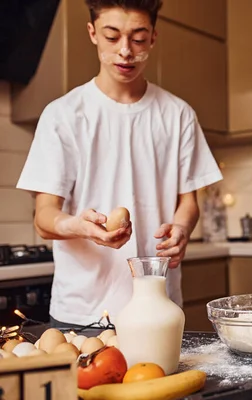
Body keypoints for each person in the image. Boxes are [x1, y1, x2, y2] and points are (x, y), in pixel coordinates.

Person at [16, 0, 222, 329]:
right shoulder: (63, 115)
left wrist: (181, 229)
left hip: (159, 308)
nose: (125, 51)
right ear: (92, 33)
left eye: (138, 39)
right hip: (82, 311)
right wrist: (81, 227)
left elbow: (188, 202)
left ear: (153, 38)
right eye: (112, 37)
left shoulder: (178, 114)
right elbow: (44, 218)